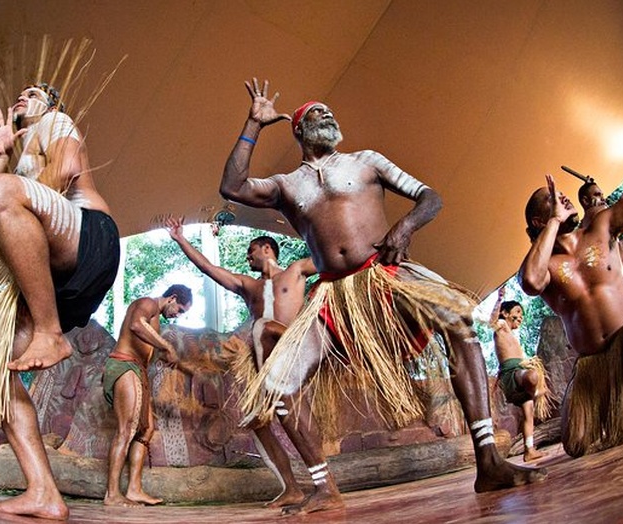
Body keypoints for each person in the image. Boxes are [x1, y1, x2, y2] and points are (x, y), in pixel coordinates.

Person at [219, 78, 544, 513]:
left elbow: (430, 196)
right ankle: (323, 485)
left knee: (458, 319)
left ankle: (487, 460)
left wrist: (405, 227)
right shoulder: (287, 185)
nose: (328, 116)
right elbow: (233, 186)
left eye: (330, 112)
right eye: (317, 112)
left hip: (386, 276)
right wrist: (253, 124)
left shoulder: (367, 162)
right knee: (278, 382)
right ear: (298, 129)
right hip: (334, 297)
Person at [0, 83, 120, 519]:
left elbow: (65, 169)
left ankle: (49, 332)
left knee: (2, 193)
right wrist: (2, 154)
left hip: (89, 239)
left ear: (51, 104)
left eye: (34, 92)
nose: (23, 96)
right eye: (20, 93)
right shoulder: (20, 156)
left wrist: (11, 184)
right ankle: (44, 493)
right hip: (58, 279)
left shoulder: (56, 121)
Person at [166, 216, 316, 508]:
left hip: (294, 353)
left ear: (267, 249)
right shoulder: (249, 286)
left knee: (294, 414)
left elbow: (332, 259)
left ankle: (323, 484)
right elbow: (209, 269)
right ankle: (291, 487)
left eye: (251, 250)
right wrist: (181, 240)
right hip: (265, 363)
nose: (247, 256)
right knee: (258, 422)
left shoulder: (297, 271)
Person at [519, 147, 623, 457]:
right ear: (540, 221)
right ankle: (614, 394)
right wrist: (555, 221)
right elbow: (531, 283)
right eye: (552, 199)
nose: (562, 199)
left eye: (562, 195)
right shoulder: (543, 265)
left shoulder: (601, 227)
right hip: (593, 366)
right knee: (576, 444)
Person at [102, 284, 194, 507]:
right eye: (179, 310)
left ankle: (134, 489)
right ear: (172, 298)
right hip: (124, 366)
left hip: (138, 370)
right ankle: (112, 494)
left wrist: (188, 369)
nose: (177, 316)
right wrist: (166, 346)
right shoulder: (147, 303)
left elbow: (149, 352)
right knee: (127, 428)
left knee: (147, 428)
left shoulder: (157, 322)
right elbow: (135, 325)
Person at [489, 287, 550, 462]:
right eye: (517, 312)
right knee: (532, 376)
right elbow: (491, 322)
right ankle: (536, 391)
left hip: (518, 374)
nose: (520, 316)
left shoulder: (513, 335)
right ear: (505, 314)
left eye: (522, 314)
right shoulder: (501, 325)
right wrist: (499, 299)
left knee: (528, 413)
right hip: (512, 373)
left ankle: (529, 450)